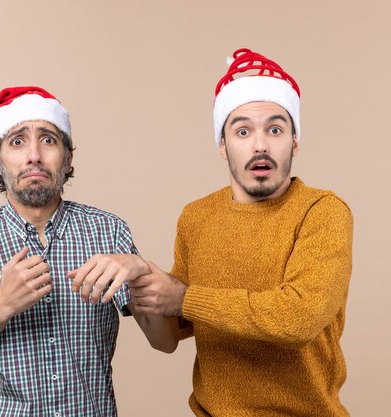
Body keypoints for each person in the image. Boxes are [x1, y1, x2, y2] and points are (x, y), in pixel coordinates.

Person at [76, 48, 354, 416]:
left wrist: (182, 297)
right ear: (223, 146)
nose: (260, 144)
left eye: (275, 129)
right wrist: (141, 274)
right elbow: (169, 337)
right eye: (242, 131)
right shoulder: (197, 217)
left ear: (295, 141)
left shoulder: (323, 212)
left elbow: (298, 317)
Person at [0, 86, 173, 417]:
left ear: (68, 157)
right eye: (17, 141)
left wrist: (140, 272)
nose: (34, 155)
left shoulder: (109, 231)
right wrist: (2, 306)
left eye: (48, 140)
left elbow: (166, 342)